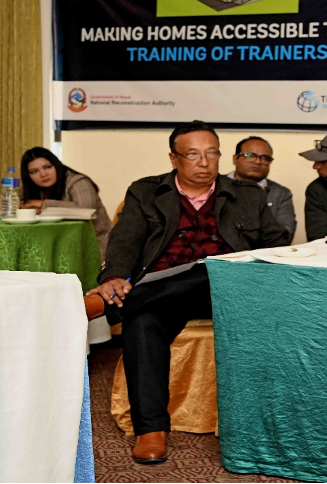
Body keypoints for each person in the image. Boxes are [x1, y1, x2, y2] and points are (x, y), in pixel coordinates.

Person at [82, 121, 289, 464]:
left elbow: (276, 247)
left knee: (209, 270)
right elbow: (126, 239)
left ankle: (109, 305)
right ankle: (150, 429)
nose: (204, 162)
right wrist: (115, 276)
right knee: (143, 319)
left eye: (211, 154)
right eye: (193, 154)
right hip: (161, 293)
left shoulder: (249, 195)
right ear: (174, 158)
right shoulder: (146, 192)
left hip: (224, 294)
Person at [19, 147, 113, 259]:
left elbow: (85, 209)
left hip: (95, 244)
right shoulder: (31, 189)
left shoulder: (77, 181)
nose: (43, 174)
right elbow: (17, 205)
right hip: (53, 244)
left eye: (47, 167)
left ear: (56, 165)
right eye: (34, 172)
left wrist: (42, 204)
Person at [230, 136, 296, 243]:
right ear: (235, 158)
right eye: (249, 155)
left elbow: (285, 235)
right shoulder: (215, 186)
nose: (257, 162)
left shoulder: (280, 194)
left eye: (265, 158)